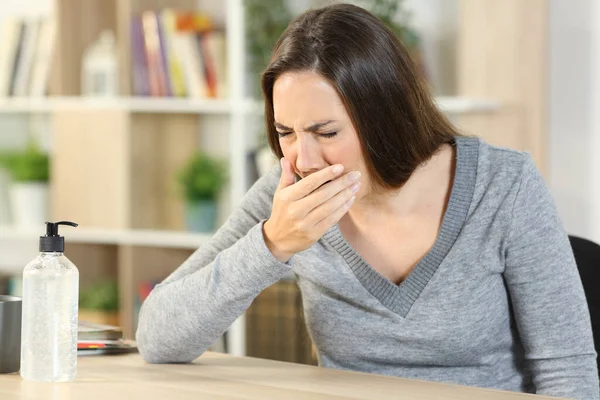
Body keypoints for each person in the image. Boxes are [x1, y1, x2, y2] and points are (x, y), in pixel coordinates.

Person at [136, 4, 599, 398]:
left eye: (326, 132)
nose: (304, 157)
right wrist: (272, 243)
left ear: (385, 115)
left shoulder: (505, 186)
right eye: (284, 133)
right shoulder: (288, 192)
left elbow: (569, 374)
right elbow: (158, 338)